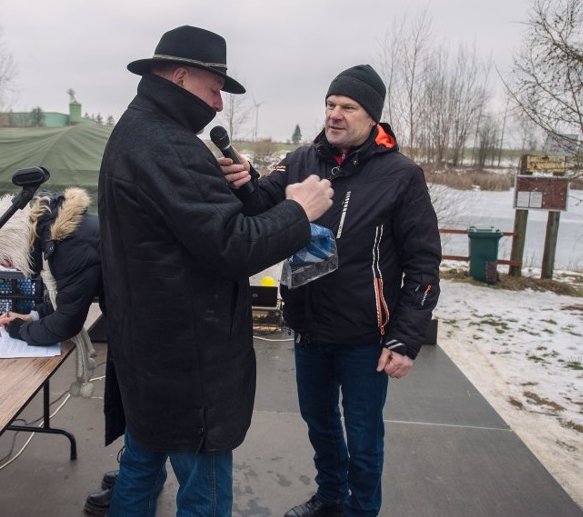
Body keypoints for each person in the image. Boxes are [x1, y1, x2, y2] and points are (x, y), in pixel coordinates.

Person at [98, 25, 334, 516]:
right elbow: (232, 246)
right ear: (181, 76)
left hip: (149, 354)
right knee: (203, 492)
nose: (219, 106)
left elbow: (181, 230)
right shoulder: (168, 146)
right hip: (188, 366)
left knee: (140, 468)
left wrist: (234, 191)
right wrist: (299, 211)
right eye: (214, 91)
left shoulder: (138, 131)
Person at [220, 64, 442, 517]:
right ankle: (330, 498)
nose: (335, 115)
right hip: (309, 325)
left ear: (372, 117)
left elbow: (424, 263)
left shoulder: (402, 175)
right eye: (330, 104)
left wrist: (405, 339)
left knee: (362, 436)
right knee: (319, 423)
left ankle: (362, 509)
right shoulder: (301, 159)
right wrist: (246, 183)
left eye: (348, 107)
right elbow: (264, 205)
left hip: (366, 336)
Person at [0, 188, 122, 515]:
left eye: (8, 260)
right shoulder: (57, 237)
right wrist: (32, 316)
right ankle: (138, 472)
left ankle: (136, 485)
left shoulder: (68, 248)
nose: (15, 269)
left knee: (140, 408)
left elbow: (65, 322)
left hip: (146, 323)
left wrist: (18, 330)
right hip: (142, 316)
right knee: (141, 411)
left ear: (14, 245)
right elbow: (60, 295)